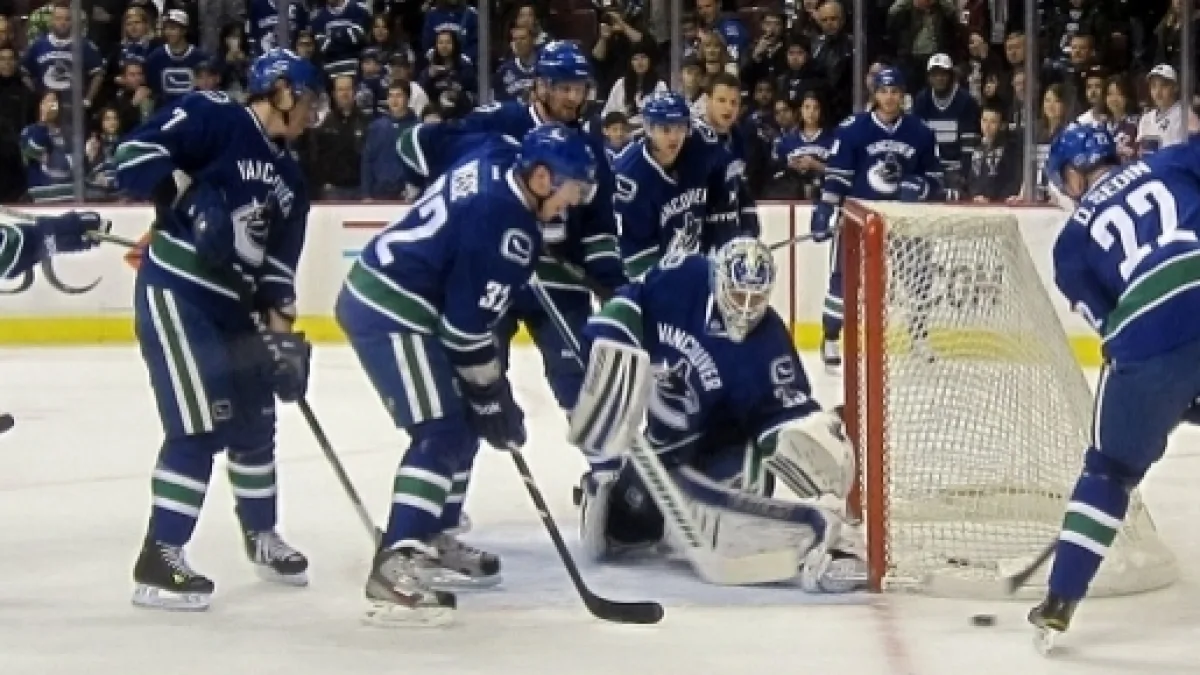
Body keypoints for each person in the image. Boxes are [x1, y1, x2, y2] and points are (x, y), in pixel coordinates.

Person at [335, 124, 597, 627]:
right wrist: (493, 394)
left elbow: (426, 142)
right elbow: (465, 331)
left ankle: (431, 536)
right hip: (391, 310)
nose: (573, 203)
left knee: (463, 422)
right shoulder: (508, 230)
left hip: (405, 299)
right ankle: (396, 562)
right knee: (441, 428)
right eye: (572, 189)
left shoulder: (495, 153)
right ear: (542, 178)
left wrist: (489, 397)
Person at [112, 48, 321, 612]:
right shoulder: (215, 115)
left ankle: (262, 535)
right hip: (179, 293)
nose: (313, 114)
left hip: (237, 310)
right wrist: (187, 193)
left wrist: (282, 342)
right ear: (280, 90)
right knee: (198, 427)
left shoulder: (292, 179)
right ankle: (160, 558)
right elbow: (131, 155)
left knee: (256, 422)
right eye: (308, 100)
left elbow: (277, 274)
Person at [573, 237, 867, 591]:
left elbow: (780, 415)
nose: (746, 309)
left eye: (756, 299)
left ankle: (823, 547)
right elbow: (632, 302)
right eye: (738, 295)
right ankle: (617, 497)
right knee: (626, 530)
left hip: (726, 449)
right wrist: (612, 338)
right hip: (664, 445)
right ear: (719, 281)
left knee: (734, 504)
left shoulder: (770, 345)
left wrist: (806, 437)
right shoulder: (682, 280)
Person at [1031, 123, 1200, 652]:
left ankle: (1060, 599)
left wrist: (1170, 392)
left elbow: (1113, 329)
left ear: (1073, 177)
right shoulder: (1172, 161)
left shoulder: (1070, 247)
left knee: (1110, 471)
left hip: (1146, 330)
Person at [398, 40, 626, 414]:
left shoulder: (589, 148)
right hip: (493, 273)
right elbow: (416, 148)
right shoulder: (500, 122)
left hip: (558, 279)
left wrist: (611, 285)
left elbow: (599, 228)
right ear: (541, 86)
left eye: (579, 88)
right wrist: (431, 183)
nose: (573, 98)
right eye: (564, 87)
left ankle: (602, 453)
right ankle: (460, 445)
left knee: (582, 382)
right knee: (473, 380)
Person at [810, 67, 944, 372]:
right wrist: (825, 210)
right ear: (875, 94)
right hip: (860, 217)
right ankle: (831, 337)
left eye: (895, 91)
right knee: (843, 279)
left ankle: (919, 336)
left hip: (906, 219)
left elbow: (936, 178)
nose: (889, 97)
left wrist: (921, 186)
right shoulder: (852, 130)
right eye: (884, 91)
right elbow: (837, 178)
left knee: (918, 280)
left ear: (903, 95)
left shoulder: (921, 133)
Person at [613, 91, 747, 279]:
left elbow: (725, 175)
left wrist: (730, 221)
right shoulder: (631, 177)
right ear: (649, 129)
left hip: (696, 261)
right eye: (665, 129)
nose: (674, 137)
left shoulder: (702, 145)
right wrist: (667, 285)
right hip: (652, 271)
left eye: (680, 127)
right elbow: (638, 254)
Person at [0, 211, 110, 279]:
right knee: (46, 234)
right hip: (13, 250)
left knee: (48, 243)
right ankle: (89, 226)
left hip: (11, 265)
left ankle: (86, 238)